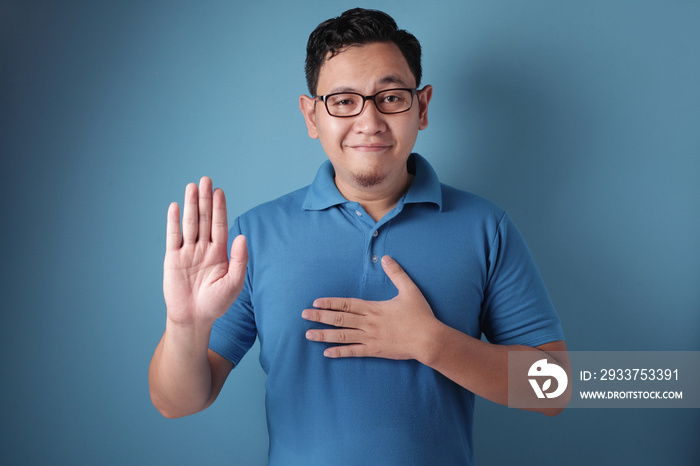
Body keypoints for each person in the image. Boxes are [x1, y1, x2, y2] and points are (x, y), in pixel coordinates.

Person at [149, 8, 569, 465]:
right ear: (312, 116)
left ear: (422, 107)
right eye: (344, 101)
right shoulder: (257, 235)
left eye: (390, 97)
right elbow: (177, 402)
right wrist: (186, 327)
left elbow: (555, 389)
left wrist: (431, 343)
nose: (369, 121)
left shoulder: (486, 228)